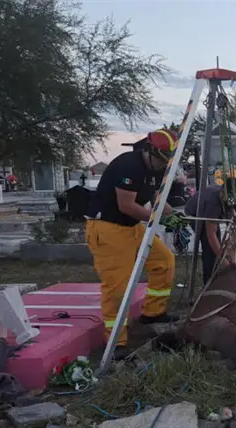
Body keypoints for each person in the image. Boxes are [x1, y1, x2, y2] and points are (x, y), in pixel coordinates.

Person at [85, 128, 187, 360]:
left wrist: (174, 214)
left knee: (164, 261)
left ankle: (153, 313)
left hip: (131, 227)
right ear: (149, 151)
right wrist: (161, 218)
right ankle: (115, 341)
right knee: (117, 288)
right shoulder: (128, 166)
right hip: (108, 228)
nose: (164, 165)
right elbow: (127, 206)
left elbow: (156, 199)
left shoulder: (155, 168)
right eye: (162, 160)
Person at [184, 170, 236, 283]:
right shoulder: (212, 202)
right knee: (210, 248)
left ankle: (224, 272)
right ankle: (209, 282)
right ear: (223, 191)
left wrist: (234, 255)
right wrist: (223, 260)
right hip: (196, 212)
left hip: (217, 211)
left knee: (225, 247)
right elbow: (211, 234)